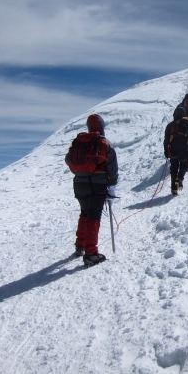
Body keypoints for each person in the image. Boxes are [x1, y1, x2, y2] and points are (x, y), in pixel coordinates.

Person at [65, 113, 118, 266]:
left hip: (79, 184)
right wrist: (112, 186)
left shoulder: (79, 142)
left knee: (84, 213)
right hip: (97, 185)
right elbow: (112, 168)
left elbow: (68, 160)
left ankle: (80, 245)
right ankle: (91, 253)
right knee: (94, 217)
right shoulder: (104, 143)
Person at [164, 107, 188, 195]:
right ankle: (180, 178)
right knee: (184, 166)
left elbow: (166, 139)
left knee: (173, 168)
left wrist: (166, 150)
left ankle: (174, 189)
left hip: (173, 149)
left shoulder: (170, 125)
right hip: (184, 150)